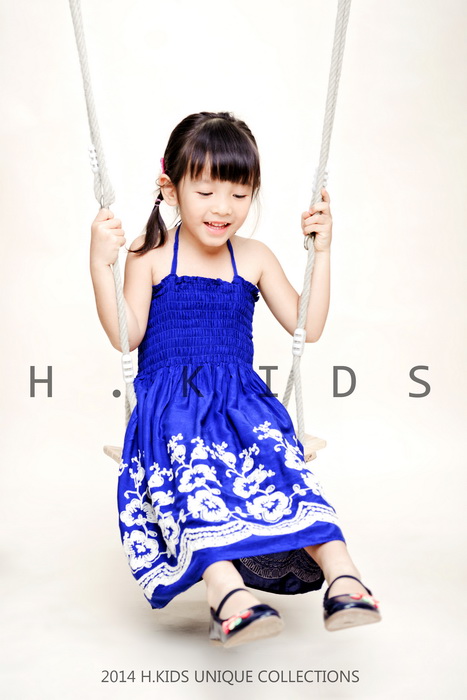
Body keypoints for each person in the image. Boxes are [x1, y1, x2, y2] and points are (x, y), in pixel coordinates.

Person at [90, 111, 380, 647]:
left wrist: (322, 252)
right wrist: (98, 264)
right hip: (172, 406)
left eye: (240, 194)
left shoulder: (254, 257)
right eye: (205, 192)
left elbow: (308, 325)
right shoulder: (149, 255)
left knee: (284, 470)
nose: (223, 207)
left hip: (242, 402)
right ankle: (229, 595)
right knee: (193, 476)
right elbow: (127, 336)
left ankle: (345, 578)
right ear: (170, 189)